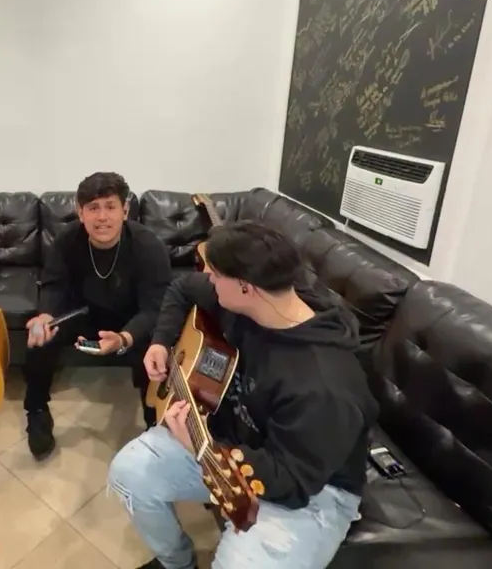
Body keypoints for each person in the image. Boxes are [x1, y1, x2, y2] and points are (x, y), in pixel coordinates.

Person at [108, 220, 377, 569]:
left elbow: (291, 481)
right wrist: (161, 341)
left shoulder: (323, 385)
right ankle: (177, 563)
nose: (208, 279)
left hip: (312, 490)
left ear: (246, 287)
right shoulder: (248, 302)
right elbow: (181, 288)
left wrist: (202, 446)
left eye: (215, 274)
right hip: (232, 443)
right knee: (129, 472)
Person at [23, 172, 172, 460]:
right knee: (41, 338)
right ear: (80, 213)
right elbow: (54, 285)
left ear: (125, 210)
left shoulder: (147, 245)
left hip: (131, 319)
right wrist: (46, 316)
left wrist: (124, 338)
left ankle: (154, 420)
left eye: (110, 206)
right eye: (93, 208)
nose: (102, 217)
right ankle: (37, 410)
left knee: (157, 344)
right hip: (83, 313)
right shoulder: (67, 240)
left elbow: (156, 307)